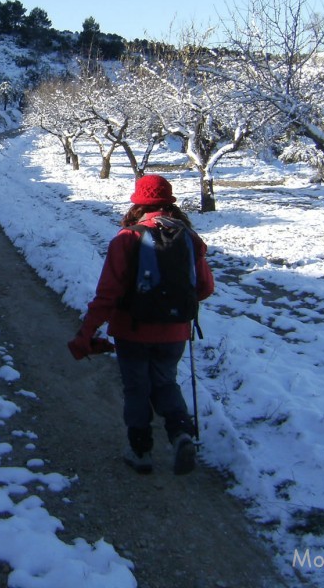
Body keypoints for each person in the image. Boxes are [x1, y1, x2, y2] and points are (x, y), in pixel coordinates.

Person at [68, 174, 214, 475]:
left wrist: (87, 331)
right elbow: (205, 287)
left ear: (139, 201)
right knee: (165, 381)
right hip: (174, 331)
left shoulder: (127, 238)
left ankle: (140, 451)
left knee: (137, 388)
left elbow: (108, 294)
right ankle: (181, 434)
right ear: (168, 201)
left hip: (132, 330)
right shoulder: (188, 236)